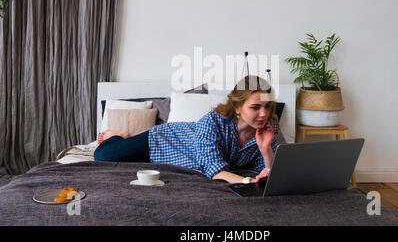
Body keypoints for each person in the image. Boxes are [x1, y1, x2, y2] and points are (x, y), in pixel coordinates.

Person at [94, 75, 285, 184]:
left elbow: (268, 172)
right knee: (103, 156)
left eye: (267, 107)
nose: (263, 114)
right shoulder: (212, 122)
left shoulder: (269, 126)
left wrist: (265, 149)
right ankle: (119, 135)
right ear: (237, 107)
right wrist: (248, 182)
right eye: (255, 107)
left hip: (183, 159)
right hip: (164, 140)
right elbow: (215, 171)